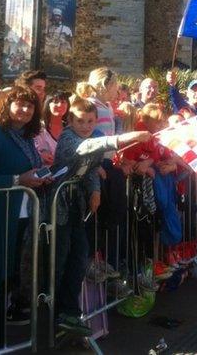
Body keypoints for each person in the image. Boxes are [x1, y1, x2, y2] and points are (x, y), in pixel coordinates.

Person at [51, 97, 151, 336]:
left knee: (79, 257)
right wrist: (127, 137)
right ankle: (55, 313)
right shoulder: (68, 137)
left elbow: (92, 166)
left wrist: (95, 190)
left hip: (78, 204)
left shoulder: (94, 134)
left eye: (90, 121)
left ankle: (70, 312)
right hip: (58, 203)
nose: (85, 126)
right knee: (60, 258)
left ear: (96, 121)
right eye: (80, 121)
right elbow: (84, 150)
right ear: (70, 121)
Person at [0, 86, 49, 352]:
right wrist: (18, 180)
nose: (25, 110)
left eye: (30, 106)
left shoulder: (25, 138)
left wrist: (40, 176)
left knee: (7, 275)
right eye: (19, 104)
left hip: (20, 214)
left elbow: (27, 171)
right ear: (7, 105)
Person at [166, 71, 197, 136]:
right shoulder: (183, 107)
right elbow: (175, 97)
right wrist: (172, 84)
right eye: (193, 90)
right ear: (187, 93)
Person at [35, 91, 70, 165]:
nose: (60, 105)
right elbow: (30, 150)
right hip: (45, 173)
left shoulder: (71, 129)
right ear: (48, 105)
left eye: (63, 102)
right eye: (56, 102)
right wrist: (41, 155)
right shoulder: (38, 127)